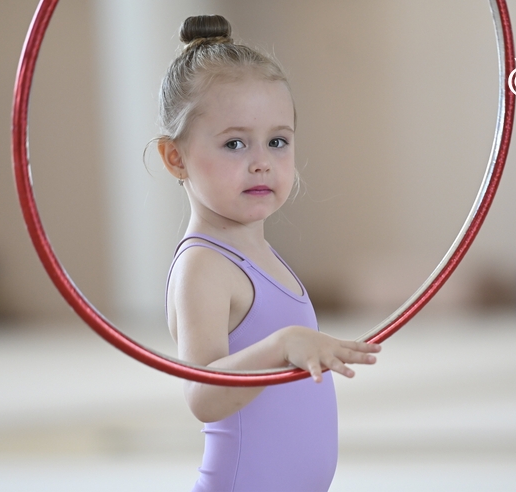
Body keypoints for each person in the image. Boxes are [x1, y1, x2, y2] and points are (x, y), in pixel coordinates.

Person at [157, 14, 381, 492]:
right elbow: (203, 393)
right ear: (175, 157)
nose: (261, 161)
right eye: (235, 143)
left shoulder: (262, 255)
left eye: (277, 141)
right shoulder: (205, 265)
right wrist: (282, 347)